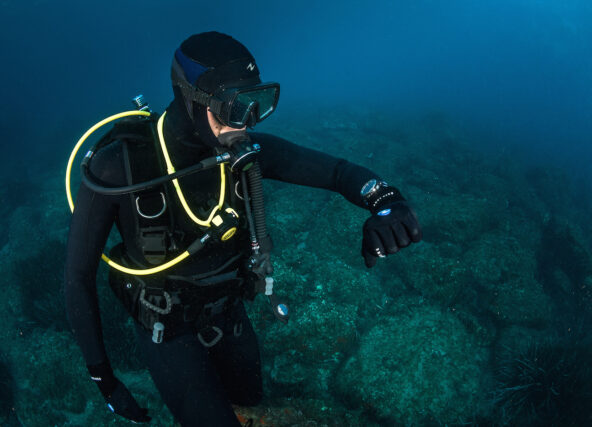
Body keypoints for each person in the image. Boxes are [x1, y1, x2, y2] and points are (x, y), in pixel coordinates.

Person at [64, 31, 421, 426]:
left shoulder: (244, 152)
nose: (246, 123)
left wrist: (386, 201)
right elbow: (77, 277)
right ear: (191, 99)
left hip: (229, 314)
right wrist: (104, 379)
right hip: (167, 330)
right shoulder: (119, 167)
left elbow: (338, 172)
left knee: (251, 401)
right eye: (234, 108)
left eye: (257, 104)